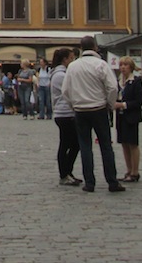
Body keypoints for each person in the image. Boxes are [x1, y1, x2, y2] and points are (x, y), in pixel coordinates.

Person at [62, 35, 124, 193]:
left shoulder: (73, 67)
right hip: (98, 108)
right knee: (105, 146)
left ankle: (89, 183)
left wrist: (74, 104)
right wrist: (109, 104)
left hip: (81, 110)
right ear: (95, 47)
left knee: (85, 147)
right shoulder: (101, 65)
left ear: (81, 48)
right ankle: (112, 181)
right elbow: (112, 88)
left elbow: (65, 91)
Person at [50, 47, 81, 186]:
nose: (72, 61)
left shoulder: (62, 73)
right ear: (64, 60)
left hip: (66, 112)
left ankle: (68, 171)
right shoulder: (60, 75)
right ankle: (64, 174)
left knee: (73, 144)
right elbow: (71, 91)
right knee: (67, 144)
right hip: (64, 113)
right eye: (71, 58)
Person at [114, 57, 142, 183]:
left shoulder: (136, 81)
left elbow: (138, 101)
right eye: (121, 65)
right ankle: (128, 169)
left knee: (132, 144)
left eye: (125, 65)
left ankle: (135, 172)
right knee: (124, 144)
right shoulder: (119, 82)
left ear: (130, 66)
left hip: (131, 116)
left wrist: (123, 105)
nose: (123, 67)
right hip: (120, 117)